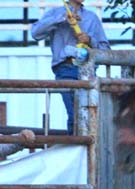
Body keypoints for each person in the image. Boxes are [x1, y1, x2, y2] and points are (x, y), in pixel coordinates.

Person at [31, 0, 110, 135]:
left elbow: (105, 49)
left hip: (89, 70)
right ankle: (79, 149)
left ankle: (86, 150)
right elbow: (35, 33)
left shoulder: (92, 17)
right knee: (75, 114)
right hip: (66, 68)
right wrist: (62, 19)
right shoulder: (55, 13)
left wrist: (90, 40)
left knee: (90, 113)